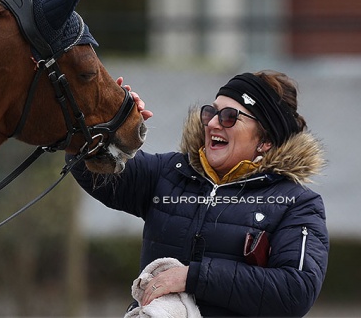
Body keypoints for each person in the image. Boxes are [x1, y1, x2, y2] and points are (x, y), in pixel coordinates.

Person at [68, 70, 329, 317]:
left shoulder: (298, 204)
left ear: (265, 140)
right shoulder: (168, 172)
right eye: (210, 113)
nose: (214, 123)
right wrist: (108, 123)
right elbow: (89, 168)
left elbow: (297, 291)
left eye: (229, 116)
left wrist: (191, 277)